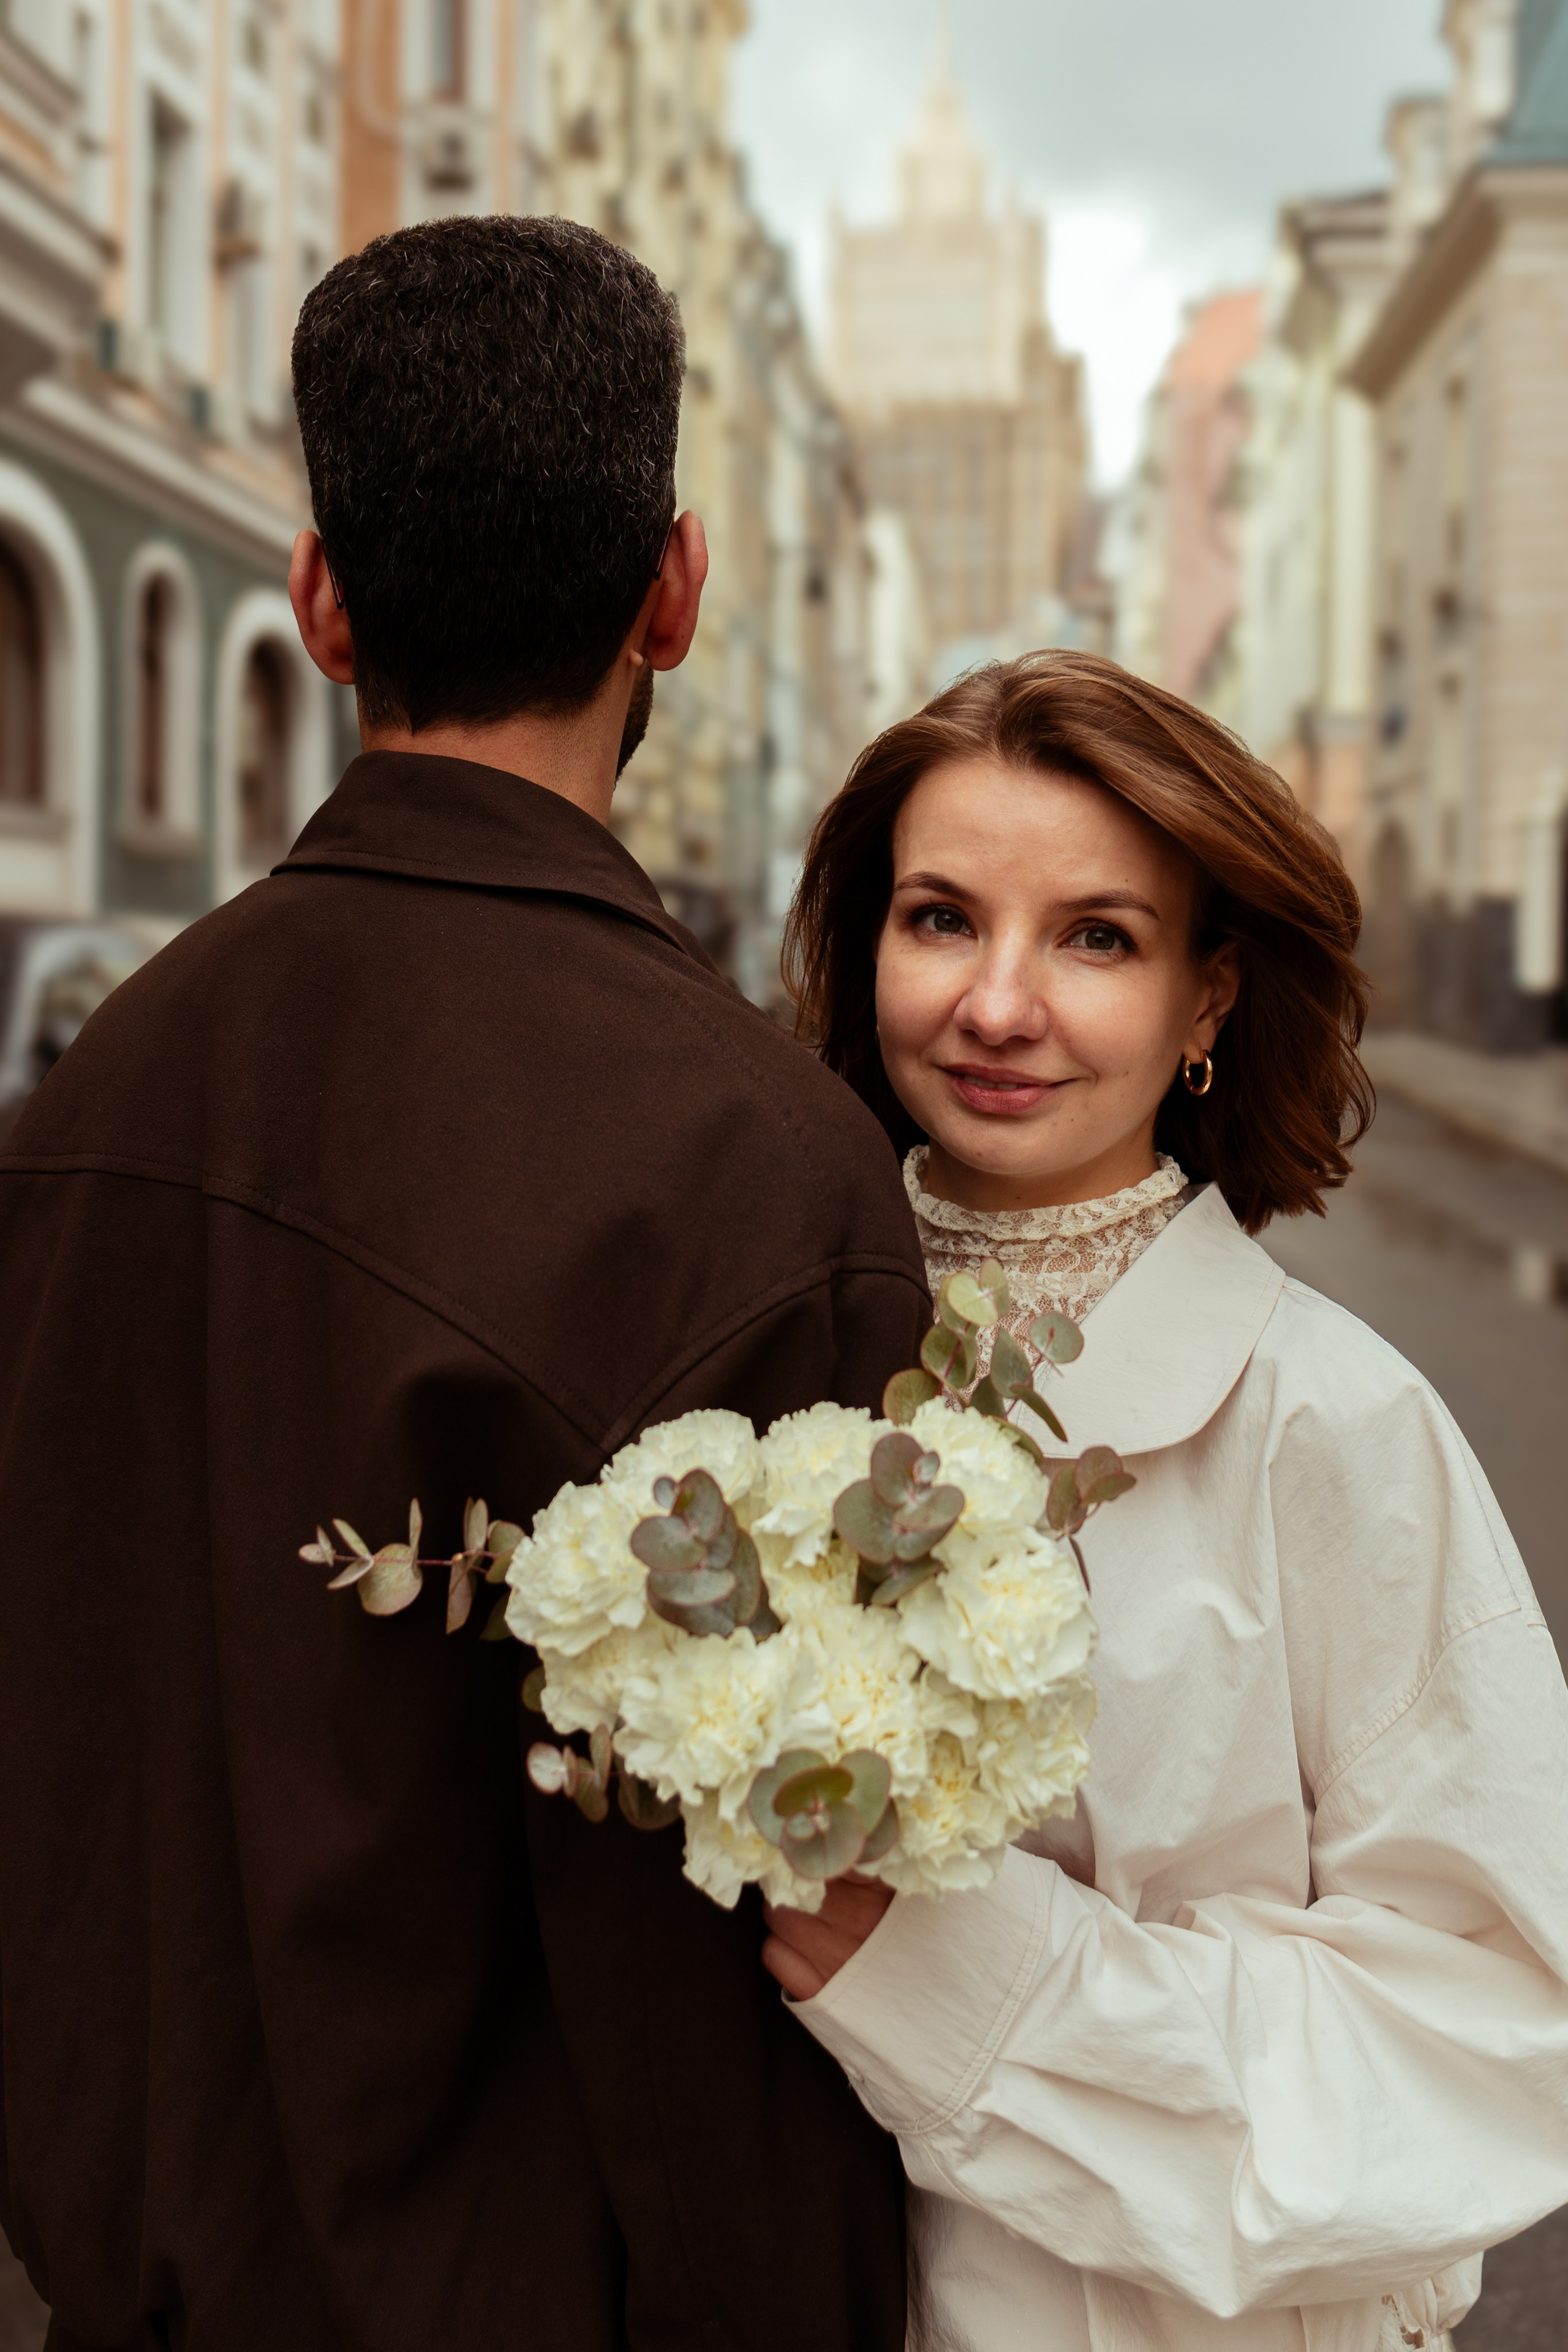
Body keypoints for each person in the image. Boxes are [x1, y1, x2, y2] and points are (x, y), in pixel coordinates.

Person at [0, 216, 928, 2350]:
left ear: (320, 601)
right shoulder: (764, 1167)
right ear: (675, 596)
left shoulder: (87, 1097)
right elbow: (757, 1936)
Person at [764, 650, 1568, 2352]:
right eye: (940, 918)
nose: (996, 1003)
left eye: (1096, 937)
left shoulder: (1336, 1425)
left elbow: (1495, 2038)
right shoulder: (756, 1368)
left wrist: (972, 1990)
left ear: (1210, 1000)